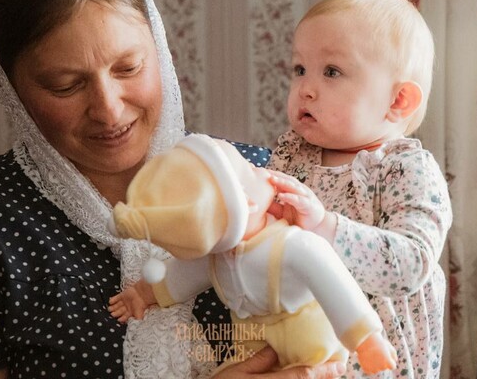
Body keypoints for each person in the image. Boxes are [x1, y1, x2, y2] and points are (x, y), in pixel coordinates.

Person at [0, 0, 345, 379]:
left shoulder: (269, 179)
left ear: (160, 52)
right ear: (13, 91)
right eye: (66, 85)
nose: (108, 109)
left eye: (129, 67)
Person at [263, 0, 452, 378]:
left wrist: (325, 228)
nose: (305, 88)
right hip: (294, 350)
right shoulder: (291, 155)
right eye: (300, 69)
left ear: (398, 101)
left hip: (375, 363)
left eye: (331, 72)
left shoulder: (406, 170)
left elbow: (411, 263)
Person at [106, 133, 397, 375]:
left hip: (306, 333)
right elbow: (181, 274)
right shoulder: (217, 256)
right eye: (250, 168)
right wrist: (144, 294)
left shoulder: (294, 245)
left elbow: (335, 285)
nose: (261, 168)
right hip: (250, 338)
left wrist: (366, 339)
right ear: (246, 203)